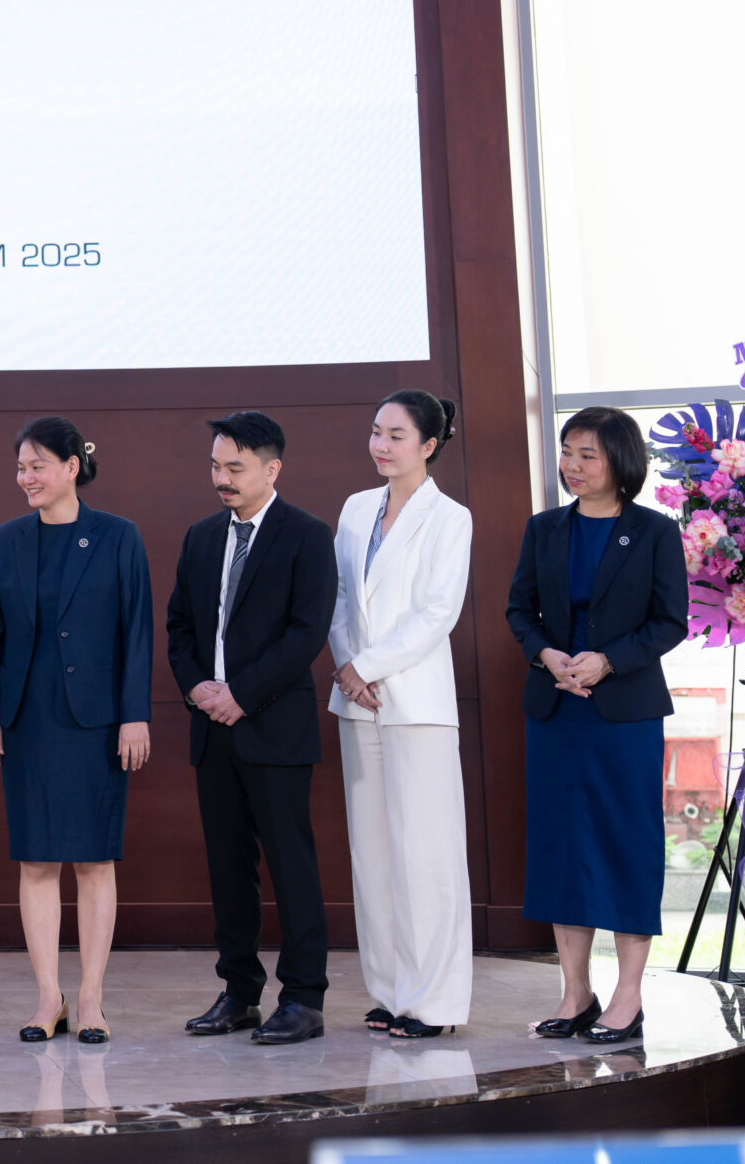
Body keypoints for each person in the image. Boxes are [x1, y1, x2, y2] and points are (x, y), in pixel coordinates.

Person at [506, 405, 688, 1046]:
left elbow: (670, 622)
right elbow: (519, 609)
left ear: (620, 461)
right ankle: (575, 993)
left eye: (588, 454)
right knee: (560, 847)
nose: (573, 465)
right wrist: (545, 654)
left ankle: (628, 996)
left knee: (625, 843)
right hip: (556, 709)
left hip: (624, 713)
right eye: (567, 451)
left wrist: (608, 660)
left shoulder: (655, 530)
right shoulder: (544, 528)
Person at [0, 417, 152, 1045]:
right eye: (20, 467)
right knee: (37, 859)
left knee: (95, 860)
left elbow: (136, 629)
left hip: (97, 721)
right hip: (28, 718)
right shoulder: (5, 540)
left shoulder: (118, 535)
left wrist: (135, 714)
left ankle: (92, 999)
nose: (26, 478)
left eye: (37, 466)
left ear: (72, 467)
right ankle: (49, 998)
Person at [164, 411, 336, 1047]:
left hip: (274, 726)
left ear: (272, 469)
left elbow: (307, 632)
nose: (222, 478)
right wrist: (198, 689)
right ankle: (239, 993)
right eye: (215, 466)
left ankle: (304, 998)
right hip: (213, 728)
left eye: (235, 468)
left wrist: (241, 694)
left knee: (292, 866)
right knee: (228, 869)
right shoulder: (201, 536)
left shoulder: (307, 535)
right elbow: (180, 626)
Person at [329, 390, 475, 1040]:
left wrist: (367, 666)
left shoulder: (450, 518)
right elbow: (338, 598)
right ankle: (390, 992)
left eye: (395, 435)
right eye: (375, 432)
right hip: (357, 701)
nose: (381, 445)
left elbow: (437, 612)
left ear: (429, 444)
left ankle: (434, 1002)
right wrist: (347, 666)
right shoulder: (356, 508)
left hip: (415, 703)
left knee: (426, 855)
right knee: (374, 856)